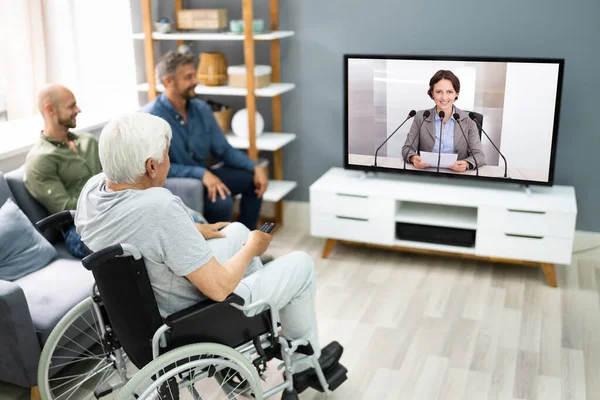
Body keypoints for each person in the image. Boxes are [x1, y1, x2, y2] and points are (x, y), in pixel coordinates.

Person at [74, 112, 343, 393]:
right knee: (299, 263)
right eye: (166, 155)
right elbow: (218, 288)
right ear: (151, 166)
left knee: (235, 231)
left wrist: (194, 230)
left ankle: (259, 337)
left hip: (142, 308)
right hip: (191, 315)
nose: (168, 162)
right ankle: (302, 364)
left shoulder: (93, 190)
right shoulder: (159, 207)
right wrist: (255, 247)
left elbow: (135, 231)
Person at [143, 51, 268, 230]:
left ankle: (246, 244)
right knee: (222, 202)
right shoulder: (151, 117)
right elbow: (154, 168)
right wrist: (200, 174)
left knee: (252, 180)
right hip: (179, 182)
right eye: (188, 77)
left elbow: (224, 149)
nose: (195, 81)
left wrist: (254, 167)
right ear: (168, 81)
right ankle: (218, 252)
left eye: (194, 75)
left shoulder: (201, 109)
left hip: (205, 175)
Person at [24, 84, 101, 258]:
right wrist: (108, 199)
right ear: (50, 110)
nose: (78, 110)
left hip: (110, 211)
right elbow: (64, 210)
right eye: (71, 106)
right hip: (78, 229)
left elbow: (114, 176)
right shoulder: (40, 159)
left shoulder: (88, 141)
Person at [402, 70, 485, 172]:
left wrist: (467, 164)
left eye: (449, 92)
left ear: (456, 93)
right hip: (427, 173)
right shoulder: (421, 117)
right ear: (432, 93)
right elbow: (407, 149)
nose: (444, 97)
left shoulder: (469, 120)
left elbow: (479, 155)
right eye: (439, 92)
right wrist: (413, 158)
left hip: (457, 176)